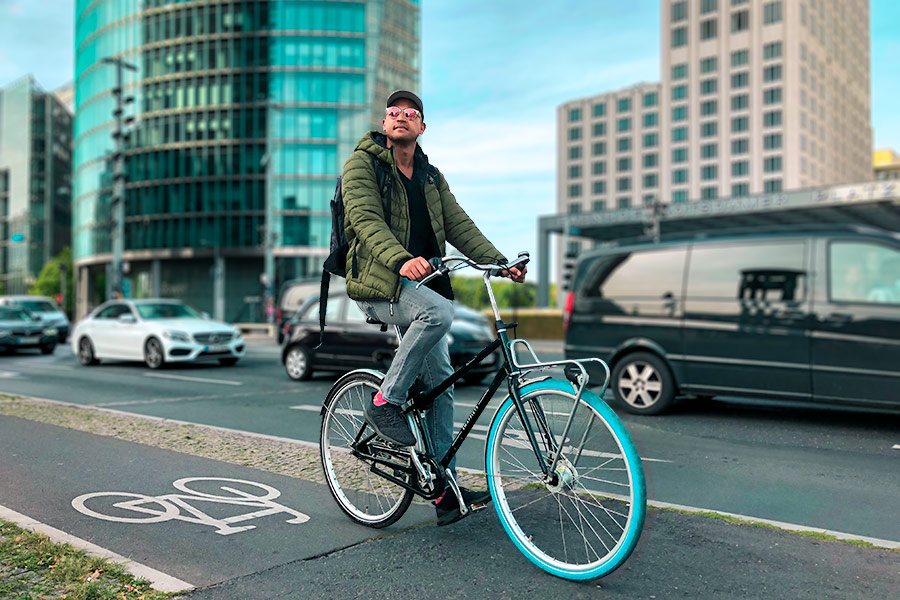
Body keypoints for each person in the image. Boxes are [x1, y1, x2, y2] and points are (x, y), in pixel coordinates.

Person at [341, 90, 526, 525]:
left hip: (425, 285)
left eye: (410, 113)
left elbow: (459, 224)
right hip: (379, 282)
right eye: (393, 113)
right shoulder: (362, 164)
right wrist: (400, 259)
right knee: (438, 315)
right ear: (386, 124)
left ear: (422, 127)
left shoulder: (430, 175)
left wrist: (500, 262)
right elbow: (366, 221)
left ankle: (444, 490)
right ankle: (385, 401)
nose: (400, 117)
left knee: (443, 384)